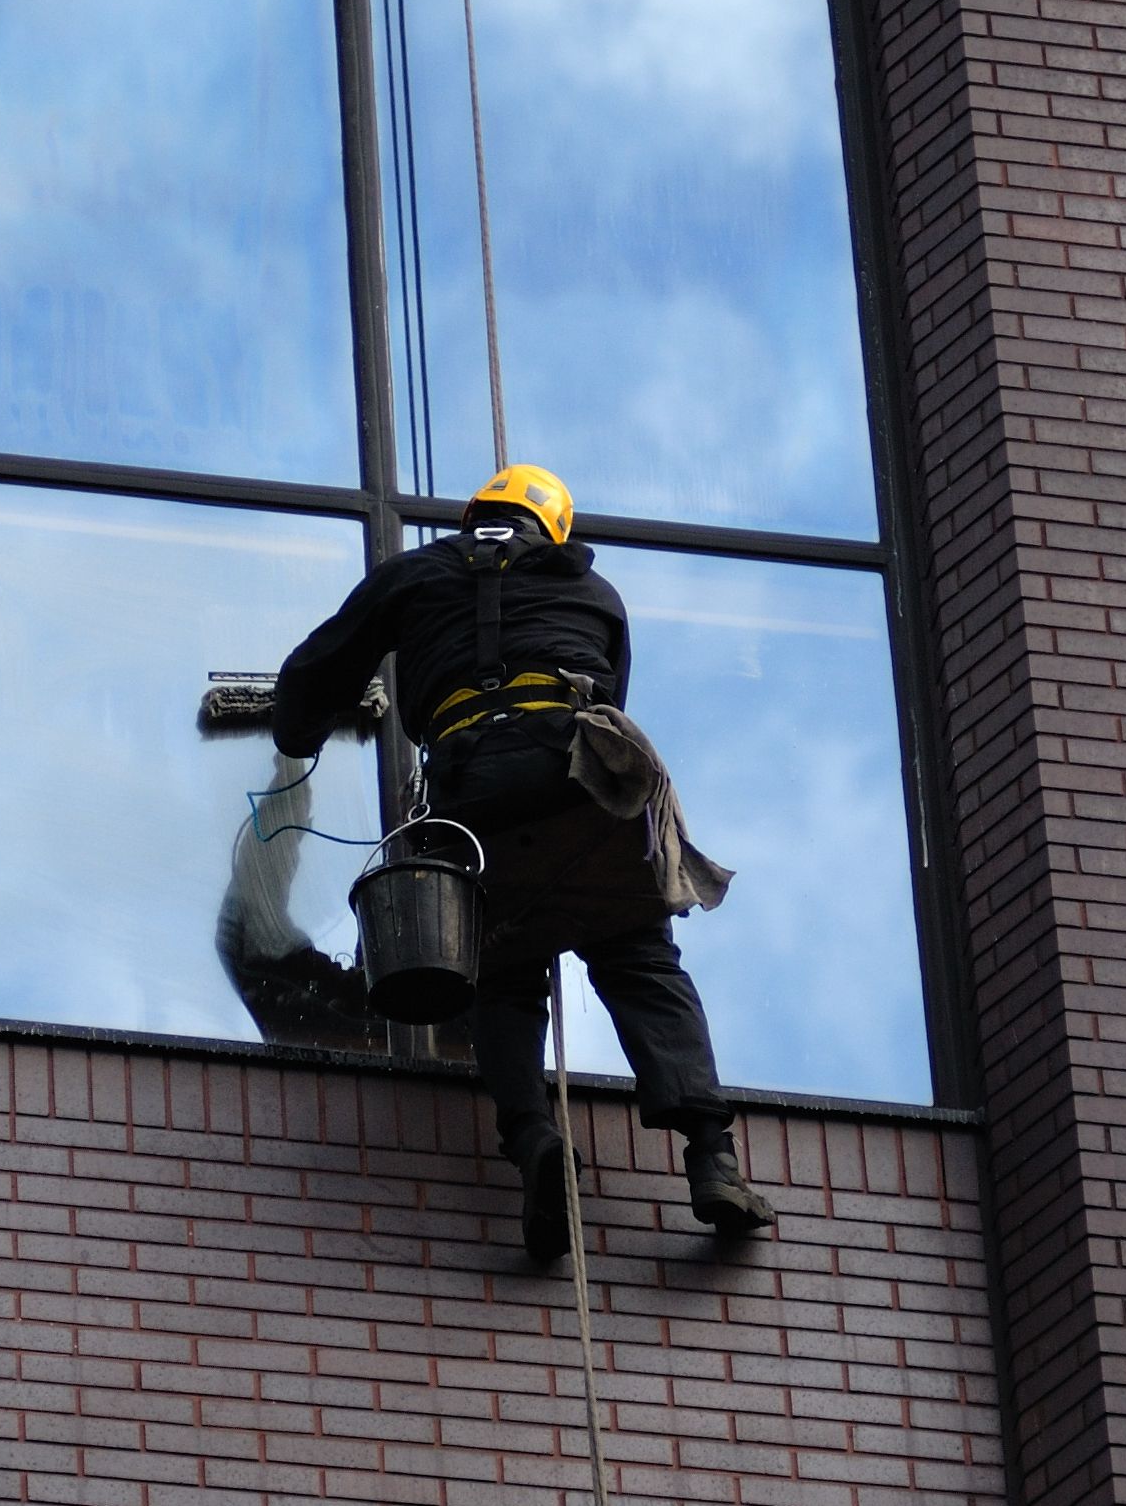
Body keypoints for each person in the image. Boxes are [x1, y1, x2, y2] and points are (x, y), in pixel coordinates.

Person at [271, 463, 774, 1262]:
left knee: (500, 974)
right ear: (555, 529)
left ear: (475, 516)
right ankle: (711, 1156)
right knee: (640, 959)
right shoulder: (593, 590)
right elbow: (611, 684)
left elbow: (317, 670)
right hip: (575, 772)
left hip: (470, 788)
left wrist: (294, 738)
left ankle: (537, 1139)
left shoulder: (410, 575)